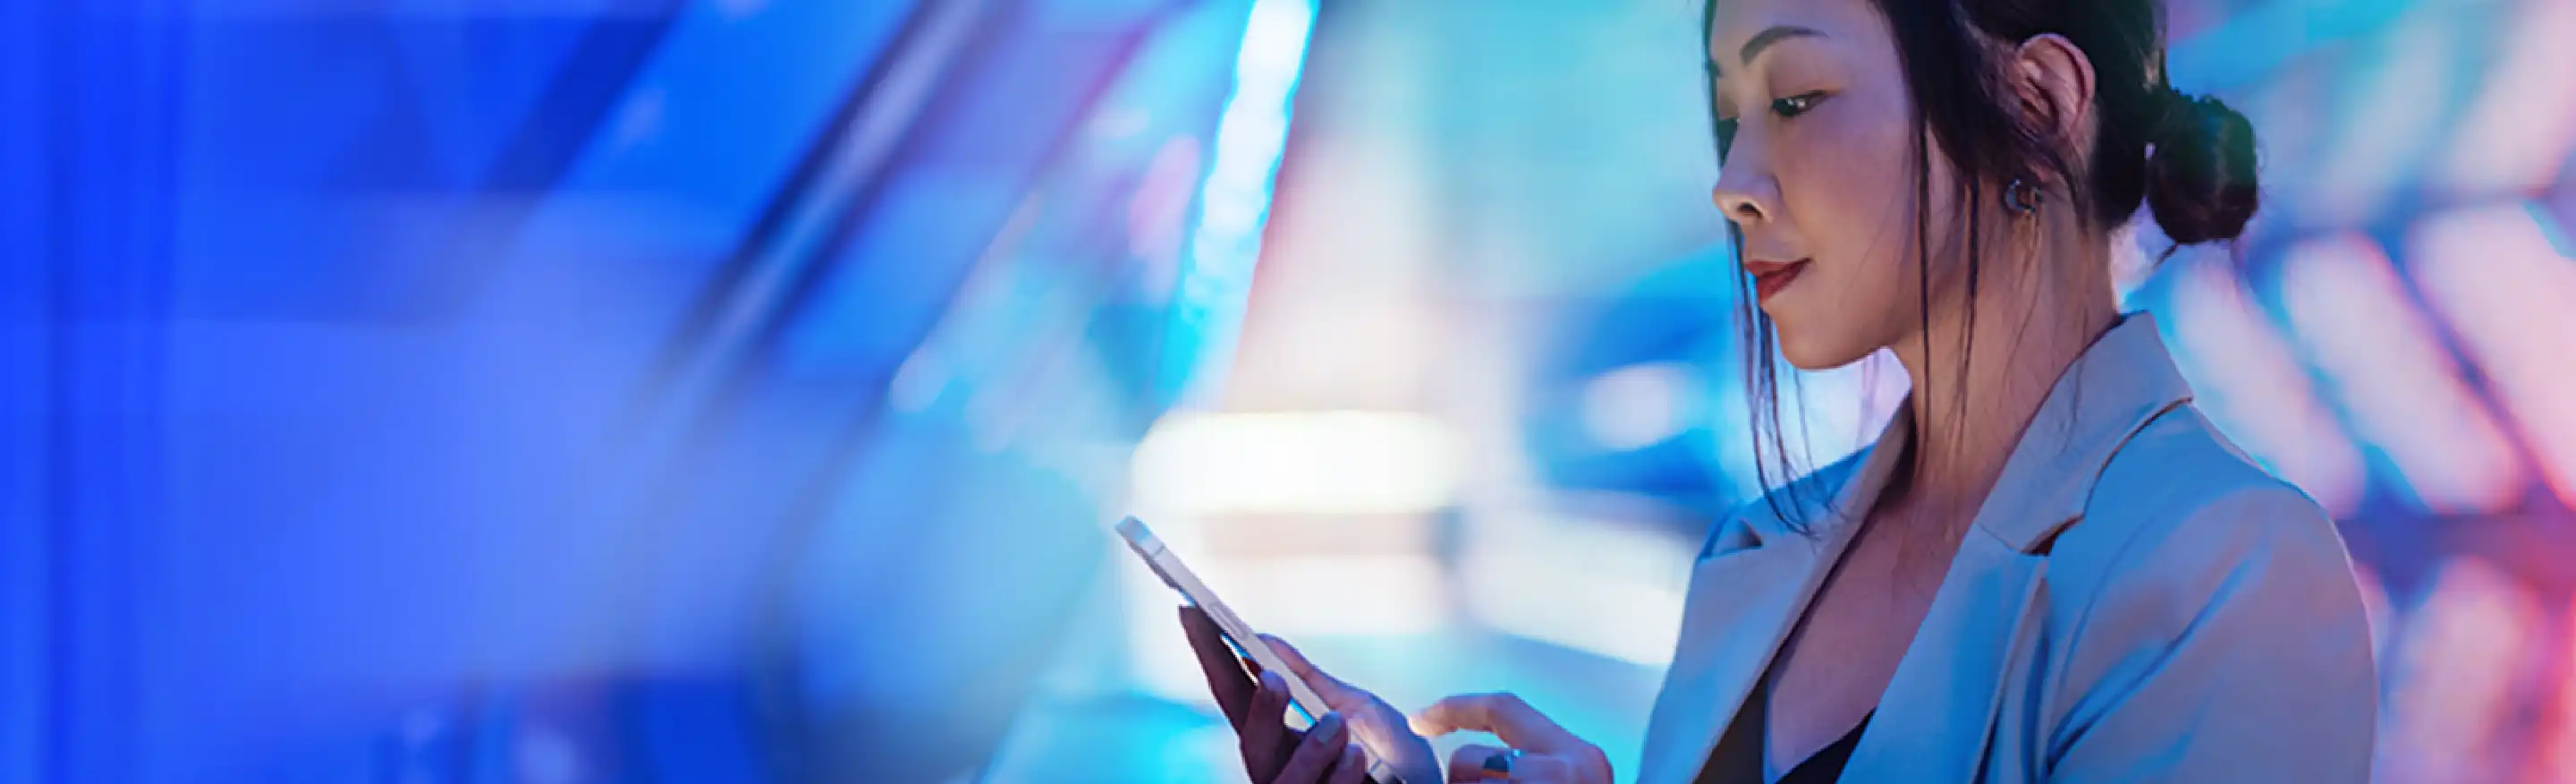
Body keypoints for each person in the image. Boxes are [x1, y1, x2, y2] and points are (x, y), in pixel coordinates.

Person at [1180, 0, 2379, 779]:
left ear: (2038, 106)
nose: (1734, 184)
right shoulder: (1755, 557)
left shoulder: (2231, 568)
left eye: (1794, 99)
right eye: (1727, 118)